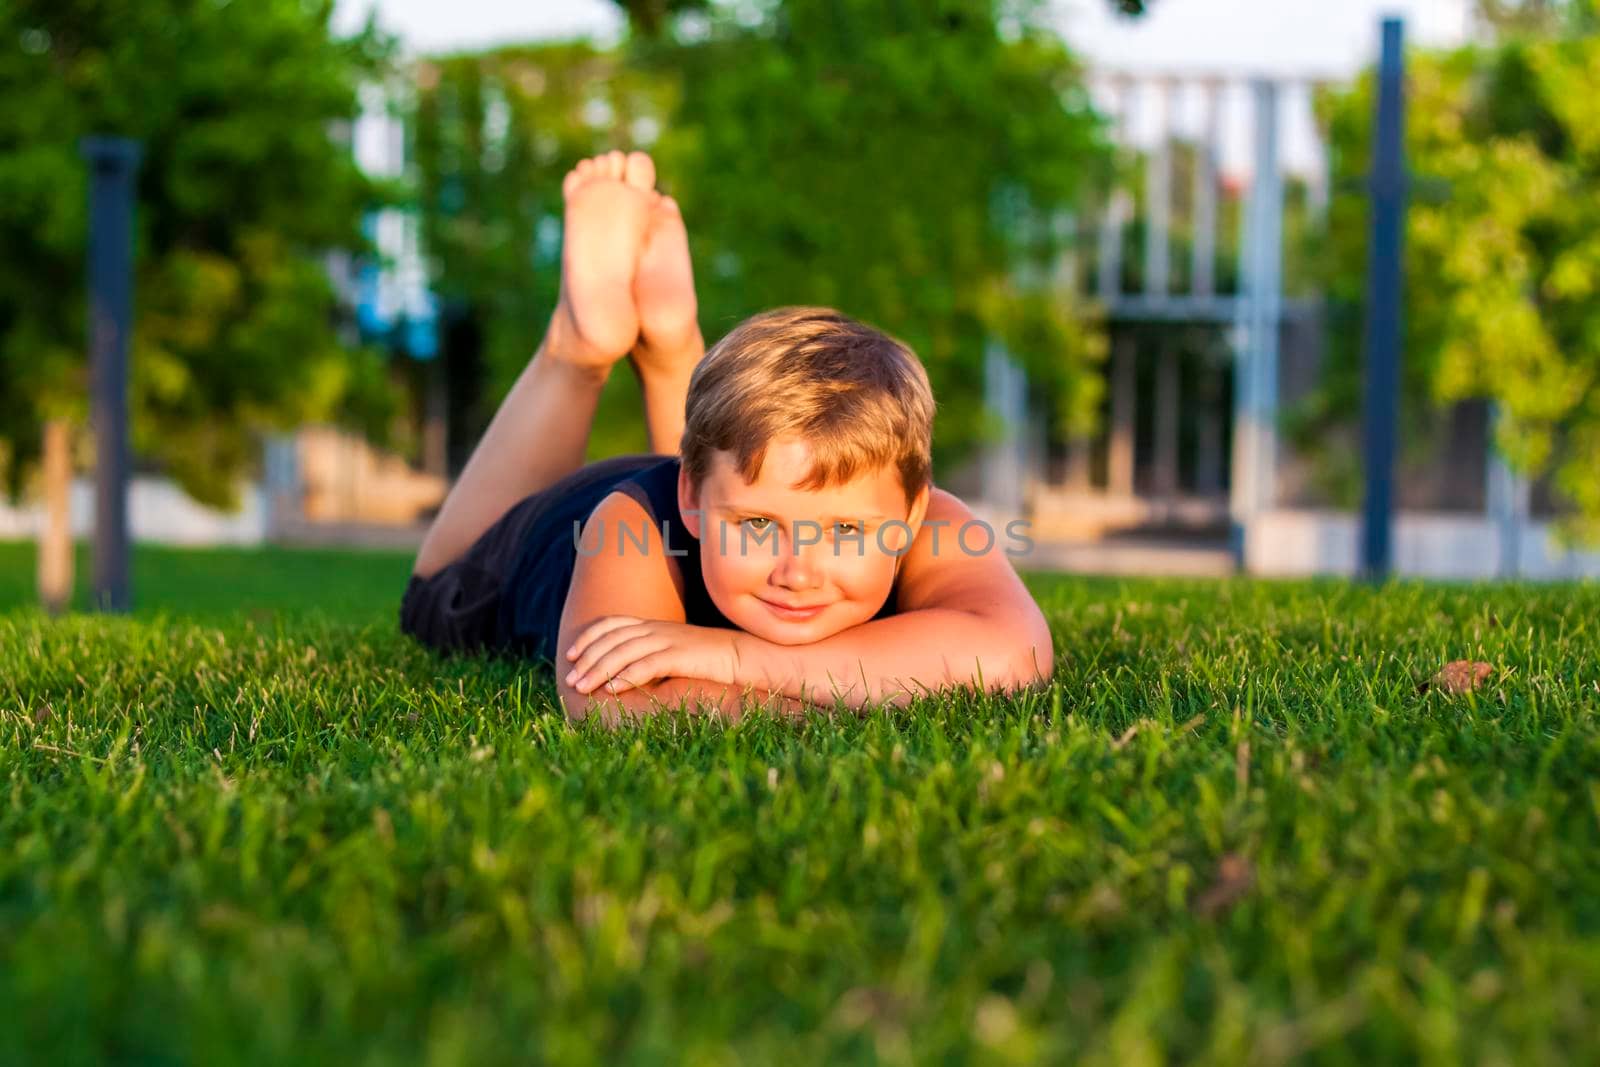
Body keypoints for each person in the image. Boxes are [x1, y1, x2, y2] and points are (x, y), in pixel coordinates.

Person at [401, 150, 1053, 724]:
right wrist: (863, 691)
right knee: (432, 592)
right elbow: (610, 701)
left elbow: (1012, 651)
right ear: (691, 497)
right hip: (532, 542)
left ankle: (669, 347)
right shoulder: (628, 529)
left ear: (912, 513)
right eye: (759, 526)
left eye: (848, 533)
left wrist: (734, 655)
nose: (797, 572)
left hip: (711, 480)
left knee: (727, 461)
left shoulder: (926, 514)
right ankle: (577, 350)